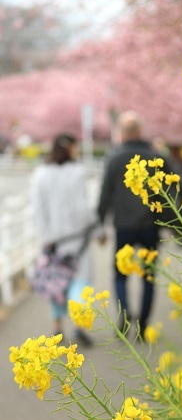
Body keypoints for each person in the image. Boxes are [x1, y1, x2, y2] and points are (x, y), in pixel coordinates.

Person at [97, 111, 182, 335]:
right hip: (149, 226)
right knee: (149, 275)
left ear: (123, 133)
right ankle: (143, 325)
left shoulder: (114, 159)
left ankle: (125, 319)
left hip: (123, 226)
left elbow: (105, 194)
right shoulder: (155, 156)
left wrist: (100, 226)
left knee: (120, 275)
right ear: (140, 131)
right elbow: (177, 183)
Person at [30, 133, 98, 345]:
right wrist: (98, 231)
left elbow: (37, 209)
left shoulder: (41, 174)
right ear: (69, 148)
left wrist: (45, 236)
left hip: (53, 241)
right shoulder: (77, 173)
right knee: (79, 283)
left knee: (56, 283)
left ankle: (57, 328)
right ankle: (79, 326)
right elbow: (83, 207)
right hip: (77, 239)